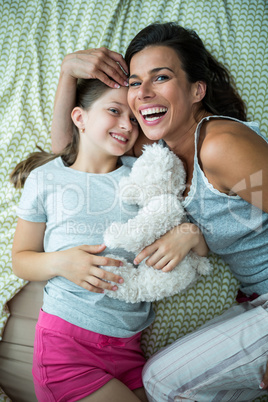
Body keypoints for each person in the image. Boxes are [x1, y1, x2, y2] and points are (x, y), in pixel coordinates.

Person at [49, 21, 268, 401]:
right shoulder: (159, 151)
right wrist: (69, 70)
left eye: (160, 77)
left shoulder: (220, 146)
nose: (143, 93)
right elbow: (69, 147)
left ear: (197, 90)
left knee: (160, 383)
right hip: (255, 303)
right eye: (135, 82)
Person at [11, 79, 157, 402]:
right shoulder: (47, 178)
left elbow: (172, 216)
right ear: (80, 118)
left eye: (133, 117)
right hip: (66, 349)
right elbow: (20, 259)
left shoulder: (142, 175)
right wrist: (63, 262)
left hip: (130, 347)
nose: (126, 125)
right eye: (114, 111)